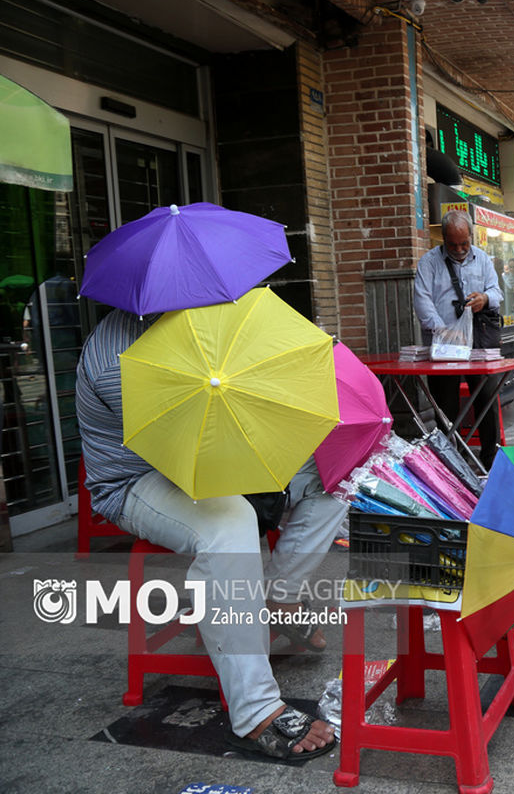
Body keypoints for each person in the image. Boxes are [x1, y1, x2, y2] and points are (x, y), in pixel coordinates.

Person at [77, 309, 343, 761]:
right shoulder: (114, 357)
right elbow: (180, 440)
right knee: (229, 525)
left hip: (208, 449)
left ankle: (279, 598)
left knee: (337, 476)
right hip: (137, 478)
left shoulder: (204, 316)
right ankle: (254, 710)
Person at [413, 208, 504, 469]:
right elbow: (422, 302)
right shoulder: (429, 262)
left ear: (471, 236)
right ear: (443, 239)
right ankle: (452, 463)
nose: (460, 249)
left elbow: (496, 292)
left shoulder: (483, 259)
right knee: (445, 406)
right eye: (453, 244)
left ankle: (490, 460)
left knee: (485, 401)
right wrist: (442, 330)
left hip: (479, 342)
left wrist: (485, 298)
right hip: (443, 345)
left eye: (464, 243)